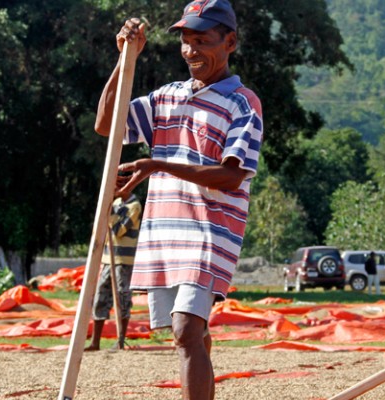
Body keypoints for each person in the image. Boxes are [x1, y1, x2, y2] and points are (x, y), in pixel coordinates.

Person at [93, 1, 262, 398]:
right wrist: (125, 59)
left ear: (230, 42)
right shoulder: (167, 96)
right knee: (189, 334)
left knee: (186, 329)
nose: (190, 51)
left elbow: (232, 175)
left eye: (202, 41)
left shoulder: (243, 102)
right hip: (166, 230)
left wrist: (158, 165)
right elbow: (106, 125)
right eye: (186, 42)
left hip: (211, 230)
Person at [86, 194, 142, 352]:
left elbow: (119, 230)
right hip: (107, 259)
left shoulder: (134, 206)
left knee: (122, 298)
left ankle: (120, 340)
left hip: (124, 260)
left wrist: (108, 211)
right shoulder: (116, 203)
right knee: (100, 297)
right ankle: (95, 342)